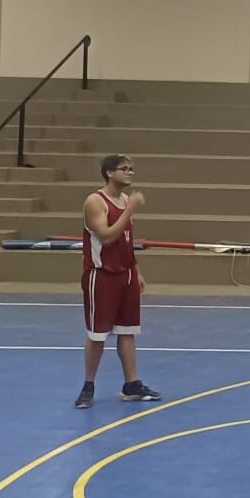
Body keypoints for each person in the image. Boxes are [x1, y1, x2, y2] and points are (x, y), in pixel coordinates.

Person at [75, 154, 161, 409]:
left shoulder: (124, 200)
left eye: (131, 168)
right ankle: (88, 385)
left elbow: (126, 241)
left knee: (127, 330)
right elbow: (107, 236)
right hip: (102, 275)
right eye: (124, 168)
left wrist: (136, 270)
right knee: (97, 334)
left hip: (126, 274)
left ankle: (131, 384)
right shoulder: (95, 201)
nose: (130, 172)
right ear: (109, 173)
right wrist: (130, 210)